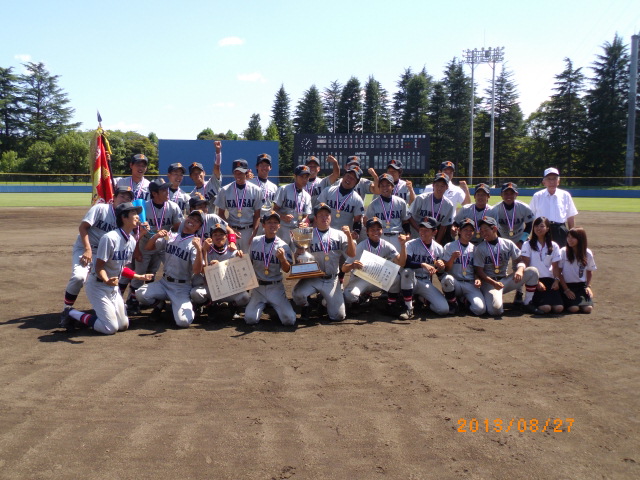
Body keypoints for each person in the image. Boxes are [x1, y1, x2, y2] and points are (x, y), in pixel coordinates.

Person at [59, 202, 153, 334]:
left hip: (113, 288)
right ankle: (71, 313)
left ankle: (99, 317)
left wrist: (139, 276)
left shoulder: (131, 241)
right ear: (124, 217)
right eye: (133, 213)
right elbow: (98, 267)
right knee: (110, 328)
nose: (137, 216)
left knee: (123, 325)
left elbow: (121, 268)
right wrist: (107, 280)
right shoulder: (109, 238)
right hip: (98, 286)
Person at [61, 186, 134, 318]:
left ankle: (105, 307)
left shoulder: (125, 219)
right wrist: (87, 249)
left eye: (128, 198)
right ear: (114, 198)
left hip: (105, 254)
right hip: (86, 248)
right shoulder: (100, 209)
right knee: (78, 277)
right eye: (122, 196)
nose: (124, 200)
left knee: (106, 279)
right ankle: (67, 309)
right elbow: (83, 227)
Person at [136, 210, 205, 327]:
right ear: (186, 219)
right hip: (164, 283)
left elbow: (197, 271)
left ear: (199, 227)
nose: (193, 221)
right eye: (191, 217)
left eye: (197, 221)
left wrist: (199, 250)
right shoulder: (171, 235)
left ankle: (187, 305)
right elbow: (148, 248)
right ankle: (160, 304)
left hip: (181, 287)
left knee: (183, 322)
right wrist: (156, 236)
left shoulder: (195, 243)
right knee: (140, 294)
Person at [127, 178, 184, 313]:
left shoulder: (173, 207)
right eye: (163, 190)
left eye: (167, 189)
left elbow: (178, 228)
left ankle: (149, 298)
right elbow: (134, 231)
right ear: (154, 193)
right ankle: (132, 300)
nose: (167, 192)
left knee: (153, 272)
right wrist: (136, 250)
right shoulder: (143, 207)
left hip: (163, 245)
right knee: (140, 273)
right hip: (144, 244)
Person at [292, 203, 356, 322]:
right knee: (297, 294)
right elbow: (298, 258)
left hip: (332, 280)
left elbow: (352, 254)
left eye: (327, 215)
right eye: (321, 215)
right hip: (313, 277)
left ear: (330, 217)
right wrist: (299, 238)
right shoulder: (307, 234)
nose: (324, 218)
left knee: (339, 316)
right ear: (315, 218)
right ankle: (306, 306)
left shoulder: (339, 234)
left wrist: (349, 236)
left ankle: (323, 302)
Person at [473, 216, 541, 316]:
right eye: (481, 231)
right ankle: (492, 297)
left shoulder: (507, 243)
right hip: (489, 283)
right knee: (495, 311)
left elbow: (521, 260)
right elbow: (479, 271)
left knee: (532, 271)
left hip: (505, 281)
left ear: (494, 228)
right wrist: (493, 283)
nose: (483, 233)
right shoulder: (480, 248)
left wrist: (520, 269)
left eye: (486, 230)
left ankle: (527, 303)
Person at [342, 217, 407, 311]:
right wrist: (352, 265)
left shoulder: (386, 245)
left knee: (396, 277)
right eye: (372, 230)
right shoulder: (361, 246)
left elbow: (402, 263)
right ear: (367, 232)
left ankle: (391, 303)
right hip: (361, 279)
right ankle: (361, 300)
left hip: (377, 278)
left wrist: (403, 245)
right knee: (349, 295)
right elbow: (344, 268)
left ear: (382, 230)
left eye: (378, 229)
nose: (376, 232)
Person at [245, 211, 297, 327]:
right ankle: (266, 305)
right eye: (269, 222)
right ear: (263, 225)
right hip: (258, 288)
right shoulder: (255, 241)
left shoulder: (283, 245)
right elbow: (249, 262)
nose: (272, 225)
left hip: (275, 287)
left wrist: (283, 259)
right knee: (250, 319)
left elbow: (287, 269)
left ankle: (273, 307)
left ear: (279, 226)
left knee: (289, 320)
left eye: (275, 222)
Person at [486, 182, 535, 305]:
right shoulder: (495, 209)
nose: (508, 196)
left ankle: (519, 292)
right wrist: (501, 241)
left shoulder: (523, 207)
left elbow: (529, 225)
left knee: (518, 264)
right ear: (501, 195)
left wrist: (522, 240)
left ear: (516, 194)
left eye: (511, 193)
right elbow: (492, 227)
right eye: (506, 193)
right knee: (501, 264)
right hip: (502, 238)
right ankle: (500, 288)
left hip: (519, 238)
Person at [190, 223, 249, 320]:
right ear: (211, 238)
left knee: (245, 297)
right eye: (215, 235)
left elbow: (238, 275)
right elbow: (203, 272)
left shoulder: (233, 252)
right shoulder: (207, 250)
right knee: (195, 293)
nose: (218, 237)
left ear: (226, 236)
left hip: (228, 289)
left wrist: (240, 259)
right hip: (212, 289)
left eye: (221, 234)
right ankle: (210, 305)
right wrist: (204, 251)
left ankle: (231, 306)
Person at [399, 217, 449, 319]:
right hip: (411, 280)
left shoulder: (438, 248)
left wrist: (441, 267)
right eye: (421, 229)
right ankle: (408, 308)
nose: (422, 232)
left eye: (426, 230)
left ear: (434, 232)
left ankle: (422, 299)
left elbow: (438, 272)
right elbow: (406, 263)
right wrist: (422, 264)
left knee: (443, 309)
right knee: (407, 272)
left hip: (426, 282)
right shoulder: (411, 244)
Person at [214, 159, 262, 253]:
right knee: (230, 257)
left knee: (247, 258)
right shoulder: (225, 190)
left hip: (248, 230)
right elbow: (221, 214)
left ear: (246, 173)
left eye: (241, 173)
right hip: (231, 228)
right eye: (236, 173)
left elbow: (257, 215)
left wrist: (254, 234)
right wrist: (230, 229)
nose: (238, 175)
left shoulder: (256, 190)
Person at [441, 218, 486, 316]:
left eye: (471, 230)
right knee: (446, 279)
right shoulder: (449, 246)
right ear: (459, 231)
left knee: (480, 310)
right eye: (465, 230)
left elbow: (476, 269)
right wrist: (452, 258)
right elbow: (446, 269)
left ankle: (463, 301)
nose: (468, 233)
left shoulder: (475, 249)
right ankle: (452, 303)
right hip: (455, 283)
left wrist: (477, 278)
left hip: (469, 283)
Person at [521, 217, 564, 314]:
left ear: (547, 228)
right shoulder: (527, 244)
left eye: (542, 226)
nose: (538, 228)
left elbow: (555, 266)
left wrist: (556, 281)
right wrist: (537, 282)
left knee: (559, 308)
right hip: (535, 281)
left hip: (550, 281)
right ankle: (528, 303)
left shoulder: (554, 245)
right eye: (536, 226)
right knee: (546, 308)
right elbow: (526, 265)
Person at [529, 167, 578, 248]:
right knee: (542, 252)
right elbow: (531, 216)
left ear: (558, 181)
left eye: (554, 178)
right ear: (544, 182)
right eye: (549, 179)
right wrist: (531, 234)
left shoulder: (565, 195)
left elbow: (570, 217)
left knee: (561, 253)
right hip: (542, 230)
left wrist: (572, 234)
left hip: (560, 231)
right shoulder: (537, 196)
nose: (552, 181)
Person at [363, 173, 411, 252]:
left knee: (398, 259)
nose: (385, 188)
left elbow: (405, 220)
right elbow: (367, 222)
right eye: (382, 186)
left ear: (392, 187)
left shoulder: (400, 202)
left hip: (397, 236)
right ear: (379, 187)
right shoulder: (373, 204)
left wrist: (408, 234)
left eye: (388, 185)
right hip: (381, 236)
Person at [409, 173, 455, 245]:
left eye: (442, 186)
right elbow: (409, 216)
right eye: (437, 185)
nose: (439, 188)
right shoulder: (421, 199)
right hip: (416, 233)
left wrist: (437, 242)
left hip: (432, 236)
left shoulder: (449, 205)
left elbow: (443, 226)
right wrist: (420, 231)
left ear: (447, 187)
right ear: (433, 185)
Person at [558, 227, 596, 313]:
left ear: (580, 239)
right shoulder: (563, 251)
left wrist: (588, 286)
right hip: (566, 286)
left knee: (588, 309)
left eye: (573, 237)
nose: (569, 240)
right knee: (573, 308)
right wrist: (566, 290)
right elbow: (559, 272)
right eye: (568, 237)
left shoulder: (587, 253)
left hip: (581, 286)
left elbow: (589, 271)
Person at [273, 165, 313, 245]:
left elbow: (306, 215)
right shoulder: (284, 189)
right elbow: (274, 210)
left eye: (306, 177)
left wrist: (304, 222)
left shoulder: (307, 196)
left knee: (297, 252)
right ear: (295, 176)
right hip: (283, 228)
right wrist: (283, 216)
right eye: (302, 176)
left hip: (297, 230)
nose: (304, 179)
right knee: (281, 250)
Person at [188, 140, 222, 212]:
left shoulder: (212, 183)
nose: (197, 175)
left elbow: (217, 168)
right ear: (190, 176)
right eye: (194, 173)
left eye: (199, 172)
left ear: (204, 173)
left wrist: (218, 152)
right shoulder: (192, 195)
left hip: (211, 218)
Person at [249, 153, 279, 234]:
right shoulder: (250, 183)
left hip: (268, 222)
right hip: (252, 221)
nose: (264, 167)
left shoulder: (274, 187)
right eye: (261, 165)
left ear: (270, 167)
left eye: (267, 165)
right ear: (256, 166)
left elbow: (276, 206)